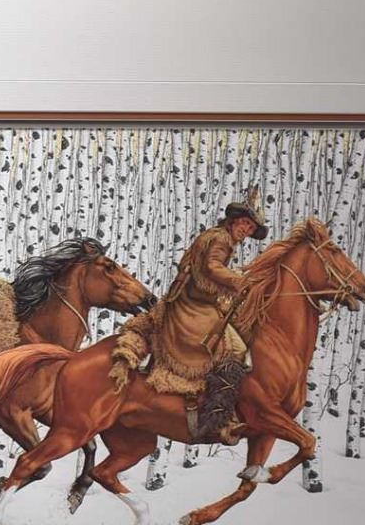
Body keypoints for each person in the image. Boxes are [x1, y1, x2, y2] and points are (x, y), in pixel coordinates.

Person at [110, 187, 267, 444]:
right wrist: (240, 282)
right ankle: (217, 415)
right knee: (236, 350)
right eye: (244, 224)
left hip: (197, 303)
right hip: (193, 307)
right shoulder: (221, 239)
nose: (246, 231)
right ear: (233, 221)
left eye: (250, 228)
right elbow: (212, 267)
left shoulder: (219, 237)